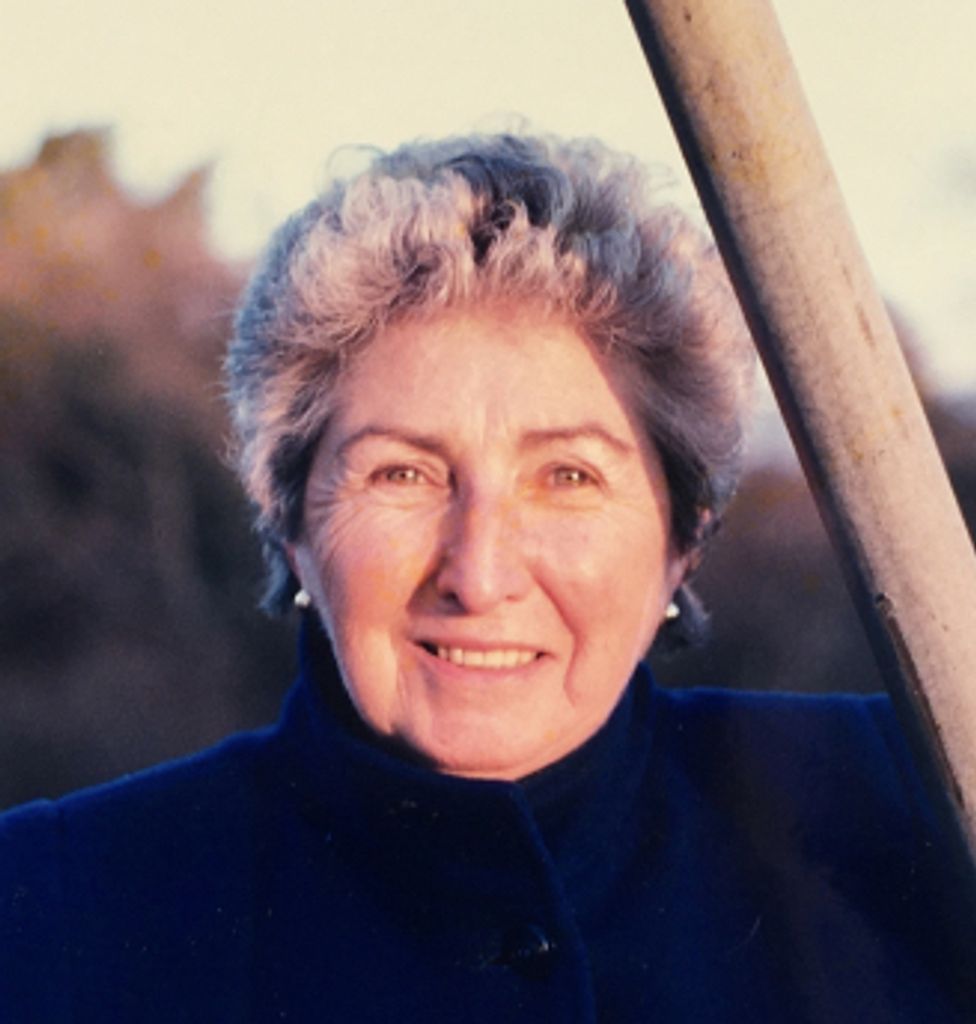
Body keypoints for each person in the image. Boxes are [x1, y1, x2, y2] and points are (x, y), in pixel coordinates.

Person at [2, 130, 974, 1021]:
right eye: (402, 473)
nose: (479, 571)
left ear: (684, 536)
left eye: (567, 476)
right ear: (290, 522)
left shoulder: (922, 799)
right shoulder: (52, 905)